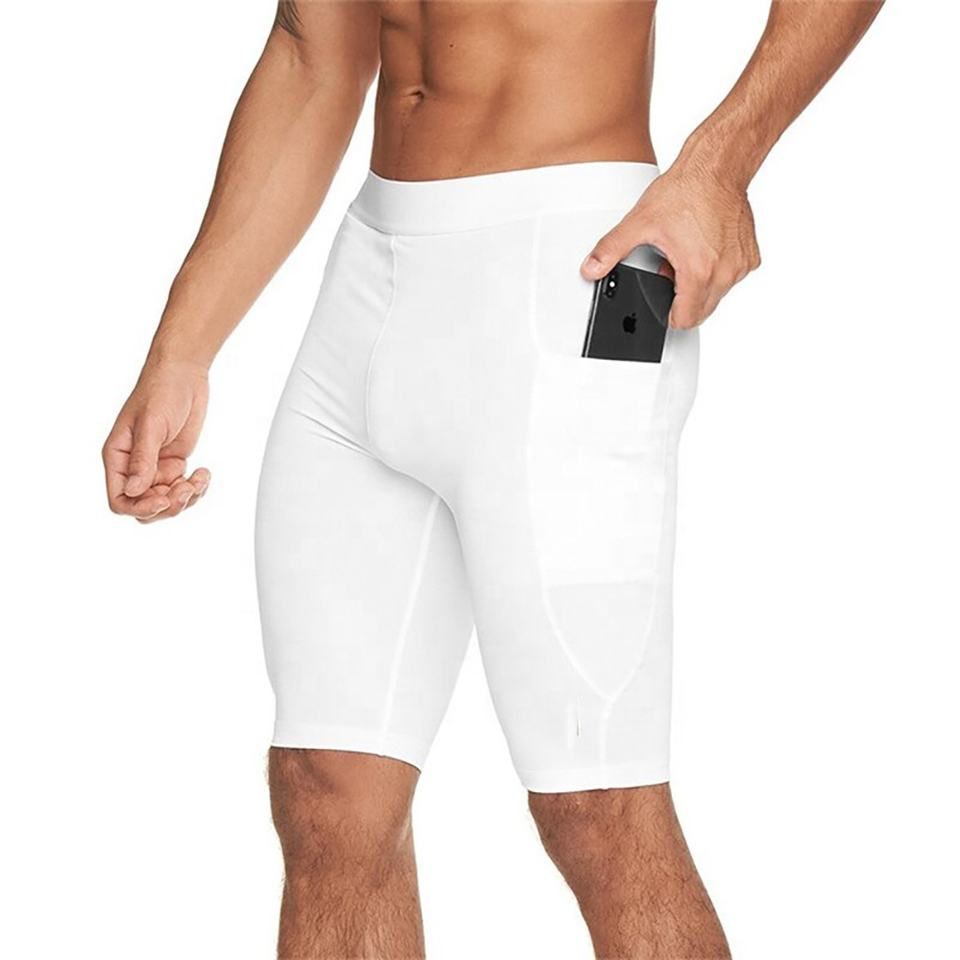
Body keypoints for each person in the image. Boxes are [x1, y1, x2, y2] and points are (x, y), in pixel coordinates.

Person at [102, 2, 884, 957]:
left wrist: (721, 164)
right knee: (326, 791)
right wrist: (182, 348)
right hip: (371, 278)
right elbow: (313, 50)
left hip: (585, 271)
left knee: (596, 803)